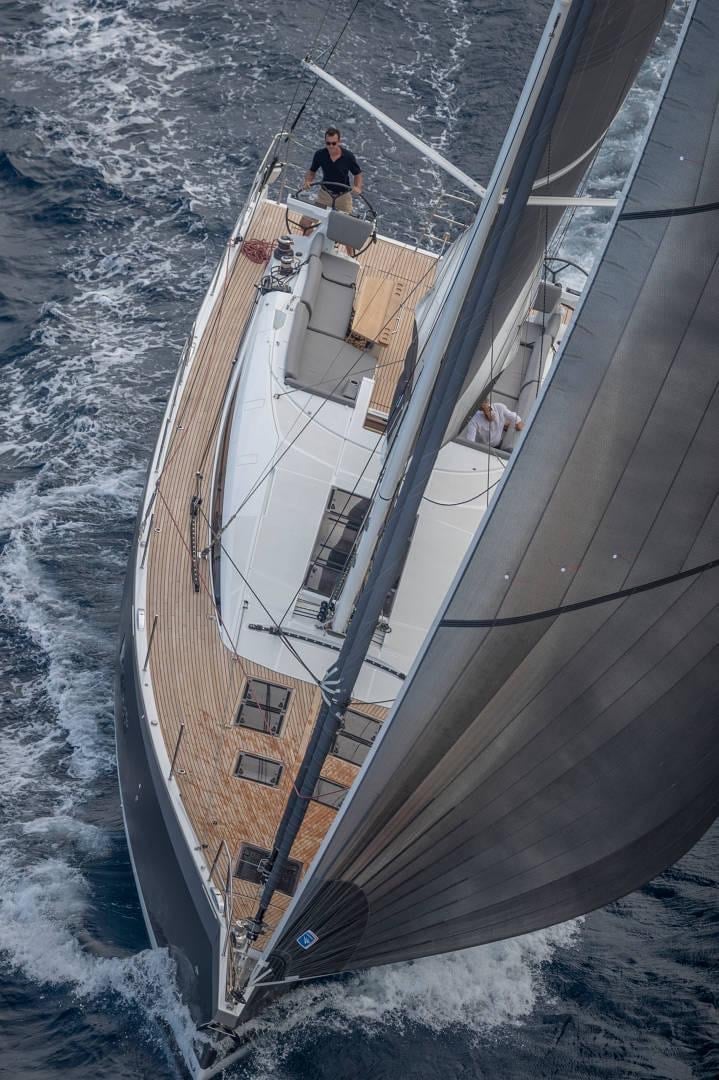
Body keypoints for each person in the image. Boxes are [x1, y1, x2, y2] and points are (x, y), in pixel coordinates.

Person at [300, 127, 363, 236]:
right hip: (325, 195)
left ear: (339, 142)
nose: (330, 146)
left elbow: (357, 174)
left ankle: (349, 254)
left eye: (333, 143)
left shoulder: (348, 157)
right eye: (328, 143)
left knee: (347, 233)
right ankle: (315, 242)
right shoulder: (320, 154)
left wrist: (357, 187)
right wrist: (308, 181)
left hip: (343, 197)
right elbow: (312, 171)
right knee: (304, 223)